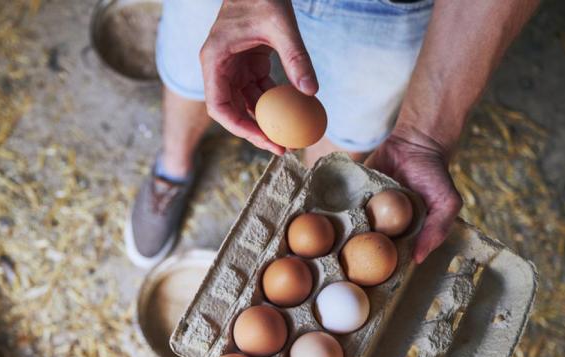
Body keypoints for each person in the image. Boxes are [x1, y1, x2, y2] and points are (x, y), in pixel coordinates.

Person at [125, 0, 538, 268]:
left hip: (387, 10)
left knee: (341, 135)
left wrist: (425, 136)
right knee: (197, 69)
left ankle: (309, 224)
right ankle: (173, 168)